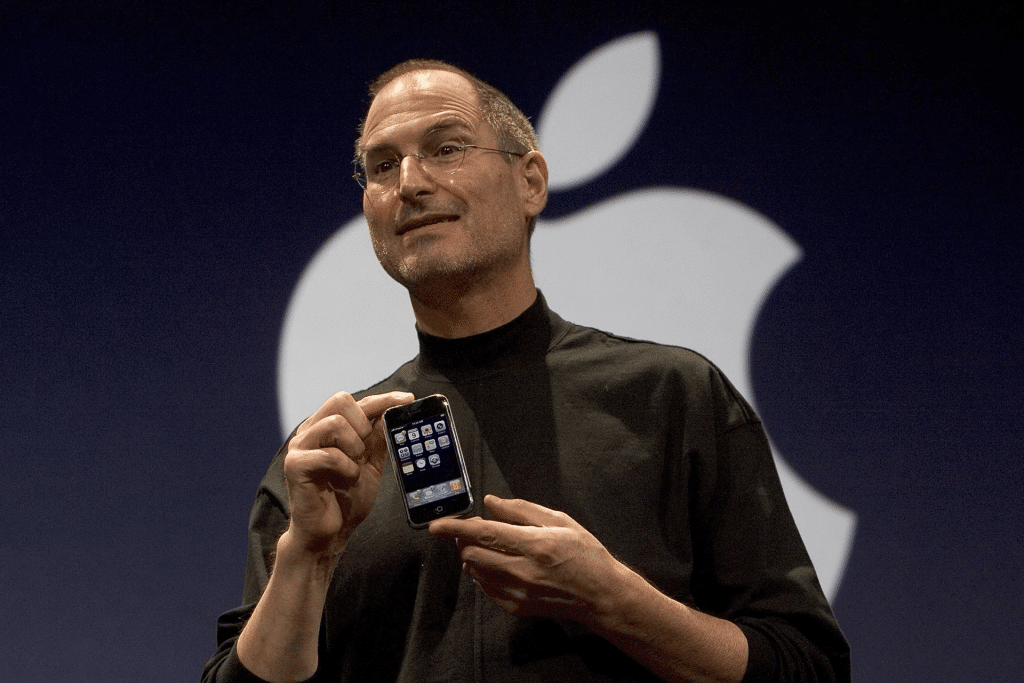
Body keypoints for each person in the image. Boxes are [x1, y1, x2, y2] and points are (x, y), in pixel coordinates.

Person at [203, 59, 850, 683]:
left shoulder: (673, 396)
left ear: (530, 182)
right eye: (381, 165)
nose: (410, 183)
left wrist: (614, 600)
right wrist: (306, 559)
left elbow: (808, 663)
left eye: (447, 147)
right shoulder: (330, 462)